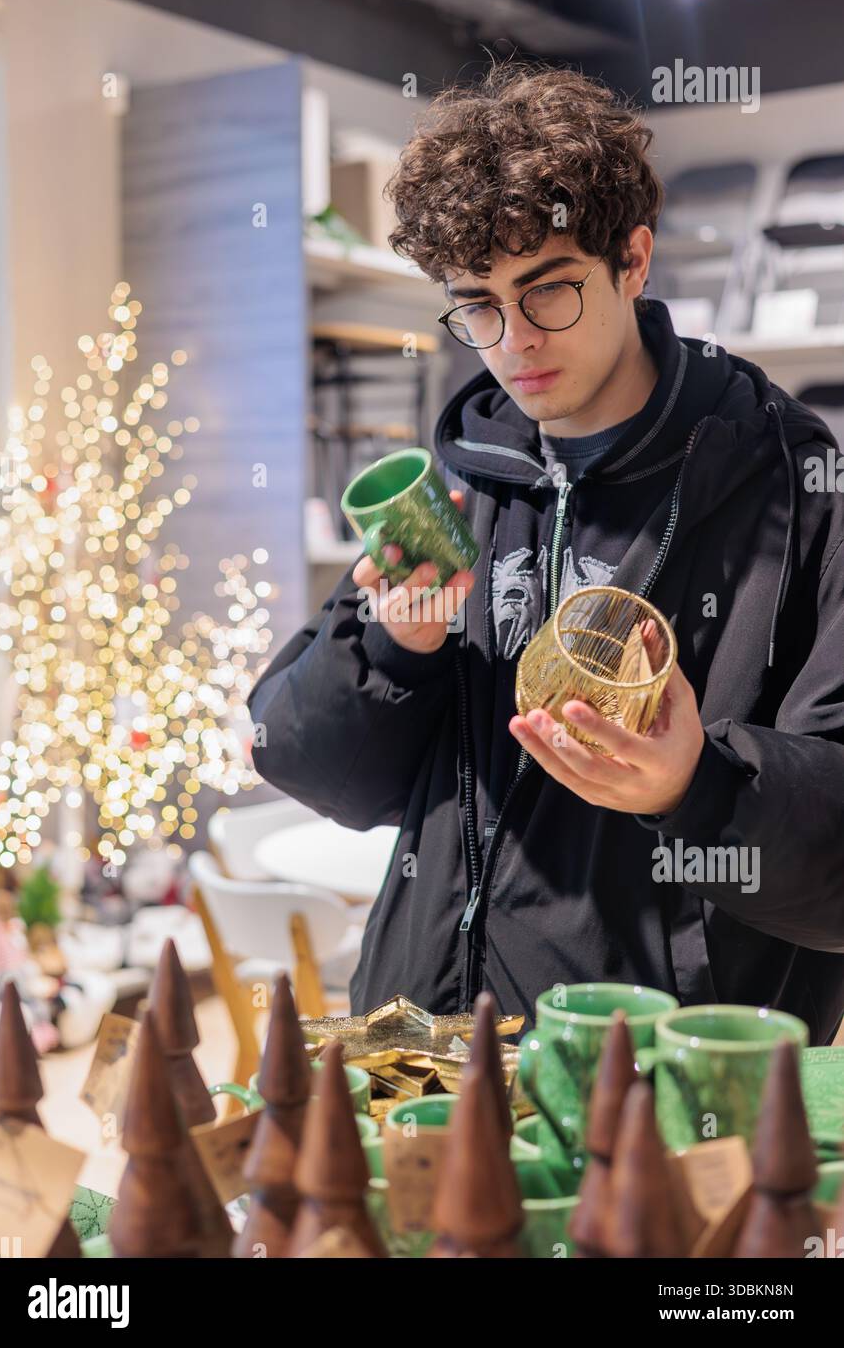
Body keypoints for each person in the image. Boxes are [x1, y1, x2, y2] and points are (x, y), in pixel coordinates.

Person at [248, 64, 844, 1042]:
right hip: (430, 1059)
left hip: (661, 1090)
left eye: (548, 291)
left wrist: (696, 784)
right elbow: (308, 764)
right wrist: (395, 651)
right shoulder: (458, 479)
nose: (513, 339)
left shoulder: (789, 487)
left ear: (633, 259)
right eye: (475, 304)